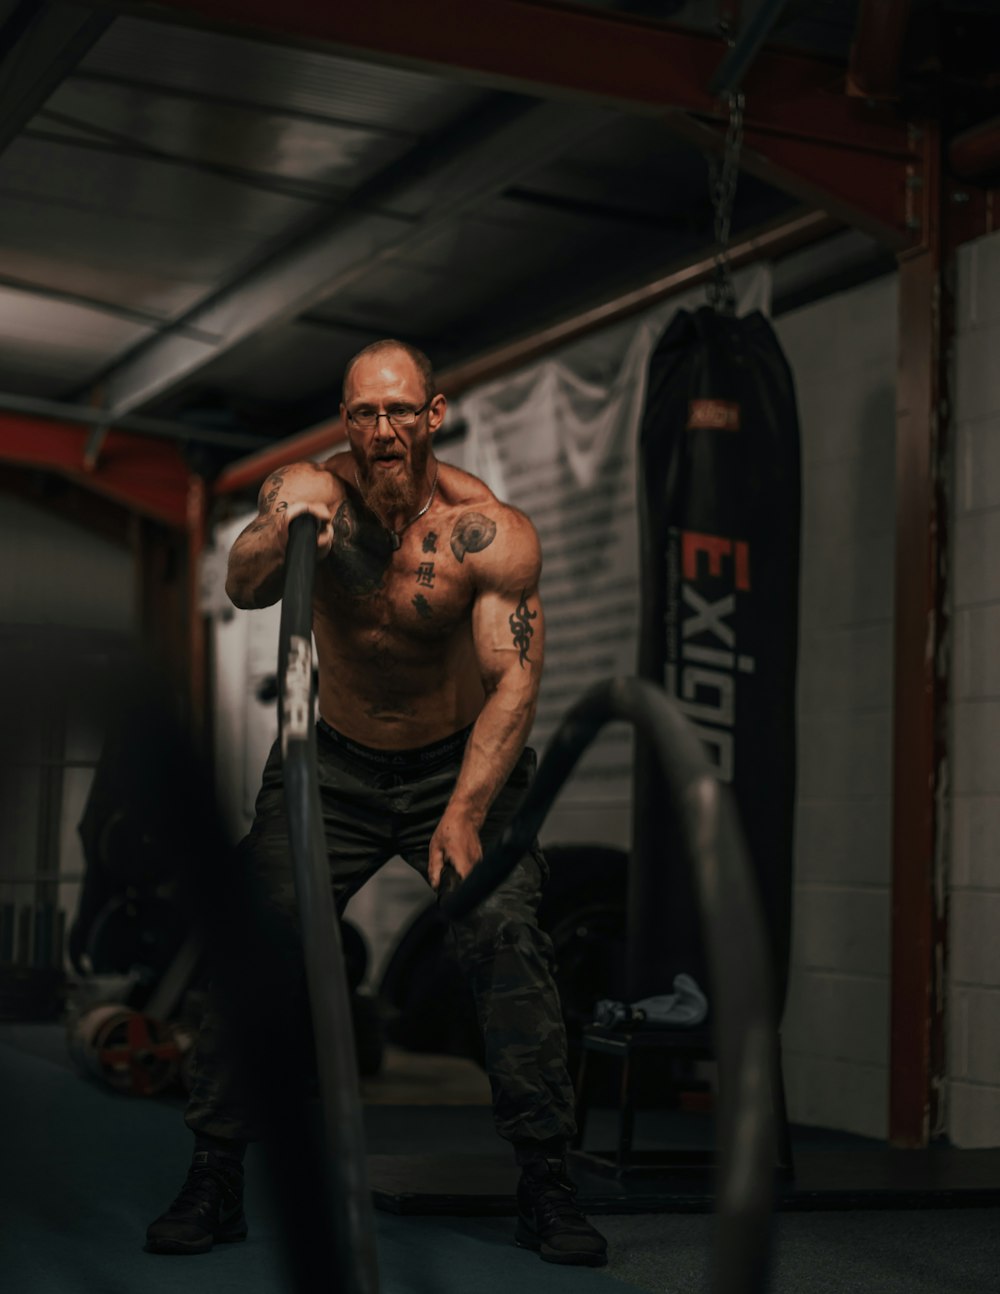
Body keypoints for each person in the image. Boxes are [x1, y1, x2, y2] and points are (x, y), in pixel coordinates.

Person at [145, 339, 608, 1267]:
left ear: (434, 415)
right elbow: (241, 586)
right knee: (256, 935)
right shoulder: (308, 493)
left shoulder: (486, 530)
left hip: (457, 766)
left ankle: (546, 1181)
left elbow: (514, 686)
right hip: (332, 766)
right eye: (364, 413)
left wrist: (468, 812)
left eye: (401, 411)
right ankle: (216, 1174)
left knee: (508, 937)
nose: (383, 430)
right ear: (345, 421)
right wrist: (286, 530)